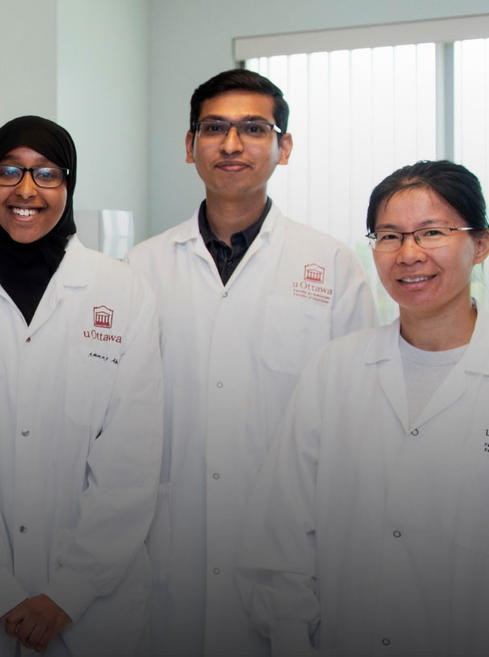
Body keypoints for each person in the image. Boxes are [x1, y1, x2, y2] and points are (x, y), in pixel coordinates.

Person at [238, 160, 489, 657]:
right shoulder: (335, 371)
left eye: (432, 232)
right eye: (389, 236)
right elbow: (280, 542)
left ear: (480, 245)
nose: (408, 254)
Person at [125, 69, 376, 656]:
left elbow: (355, 427)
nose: (231, 144)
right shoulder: (140, 268)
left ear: (283, 147)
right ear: (190, 146)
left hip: (290, 558)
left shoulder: (331, 267)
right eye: (214, 128)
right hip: (169, 549)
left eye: (253, 129)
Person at [0, 115, 163, 657]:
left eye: (46, 173)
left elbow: (131, 462)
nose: (26, 189)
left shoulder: (123, 292)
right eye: (9, 171)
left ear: (67, 186)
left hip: (91, 608)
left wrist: (68, 593)